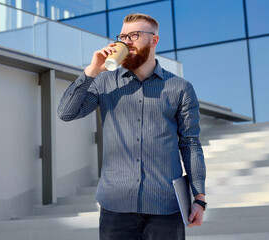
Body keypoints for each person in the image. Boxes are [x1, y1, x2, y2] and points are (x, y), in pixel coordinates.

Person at [58, 13, 206, 240]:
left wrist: (199, 198)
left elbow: (190, 144)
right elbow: (66, 113)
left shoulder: (180, 88)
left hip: (165, 207)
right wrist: (91, 70)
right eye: (123, 36)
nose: (126, 41)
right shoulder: (105, 82)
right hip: (115, 207)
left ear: (154, 40)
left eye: (134, 35)